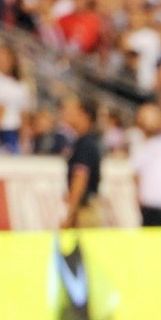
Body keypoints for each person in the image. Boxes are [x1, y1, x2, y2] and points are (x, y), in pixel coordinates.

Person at [61, 96, 103, 229]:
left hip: (84, 210)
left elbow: (80, 178)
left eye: (74, 111)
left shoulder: (85, 144)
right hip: (84, 207)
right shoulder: (84, 141)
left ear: (84, 115)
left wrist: (71, 214)